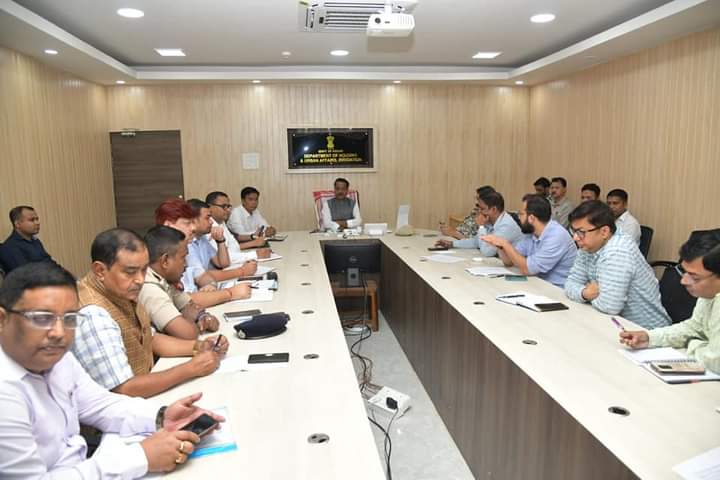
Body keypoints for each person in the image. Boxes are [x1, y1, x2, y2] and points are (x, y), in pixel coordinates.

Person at [0, 261, 224, 478]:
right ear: (2, 319)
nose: (59, 332)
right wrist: (140, 458)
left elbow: (99, 404)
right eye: (42, 318)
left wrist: (162, 416)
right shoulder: (5, 391)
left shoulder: (56, 359)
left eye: (69, 319)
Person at [72, 228, 229, 398]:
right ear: (100, 271)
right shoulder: (93, 314)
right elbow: (123, 389)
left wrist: (198, 347)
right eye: (130, 272)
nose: (140, 280)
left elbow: (149, 338)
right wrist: (192, 368)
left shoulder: (119, 290)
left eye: (144, 269)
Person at [620, 231, 720, 373]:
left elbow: (715, 363)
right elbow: (693, 327)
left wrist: (692, 343)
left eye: (695, 277)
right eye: (684, 272)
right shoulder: (710, 294)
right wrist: (650, 338)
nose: (683, 281)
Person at [564, 201, 670, 329]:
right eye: (573, 231)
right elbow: (570, 284)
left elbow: (609, 306)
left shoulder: (618, 251)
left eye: (581, 232)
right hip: (613, 324)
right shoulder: (588, 246)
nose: (575, 238)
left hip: (644, 331)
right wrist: (585, 293)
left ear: (604, 231)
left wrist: (590, 294)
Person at [140, 226, 234, 340]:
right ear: (165, 261)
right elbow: (188, 334)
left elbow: (190, 307)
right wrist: (197, 324)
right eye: (183, 258)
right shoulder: (149, 288)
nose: (186, 265)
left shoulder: (163, 279)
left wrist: (203, 317)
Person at [154, 199, 253, 307]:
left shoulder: (186, 245)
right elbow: (184, 300)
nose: (193, 228)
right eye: (188, 223)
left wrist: (210, 285)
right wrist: (230, 293)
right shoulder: (163, 256)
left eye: (192, 222)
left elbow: (202, 275)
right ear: (169, 226)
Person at [481, 194, 577, 287]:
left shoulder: (557, 236)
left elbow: (527, 269)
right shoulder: (531, 233)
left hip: (557, 290)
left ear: (531, 218)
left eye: (521, 214)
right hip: (538, 284)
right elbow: (509, 262)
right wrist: (500, 246)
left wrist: (505, 244)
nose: (519, 217)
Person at [182, 199, 257, 293]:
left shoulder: (202, 238)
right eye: (207, 218)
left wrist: (220, 240)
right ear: (193, 221)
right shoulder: (186, 244)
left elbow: (223, 263)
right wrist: (242, 271)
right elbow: (201, 275)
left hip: (206, 287)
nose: (211, 222)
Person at [436, 191, 522, 257]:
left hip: (515, 269)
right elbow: (476, 241)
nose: (479, 212)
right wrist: (452, 244)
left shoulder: (506, 226)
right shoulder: (490, 221)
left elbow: (487, 252)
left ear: (494, 209)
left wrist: (481, 227)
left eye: (482, 209)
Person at [206, 190, 271, 263]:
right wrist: (254, 255)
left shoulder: (221, 222)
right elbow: (221, 258)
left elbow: (235, 247)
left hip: (235, 263)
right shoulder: (207, 227)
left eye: (228, 206)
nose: (228, 210)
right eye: (223, 206)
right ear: (209, 207)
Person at [0, 206, 56, 274]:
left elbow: (49, 262)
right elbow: (26, 275)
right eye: (32, 220)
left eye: (37, 219)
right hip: (33, 283)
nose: (37, 223)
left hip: (48, 280)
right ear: (17, 224)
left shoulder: (35, 241)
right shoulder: (9, 247)